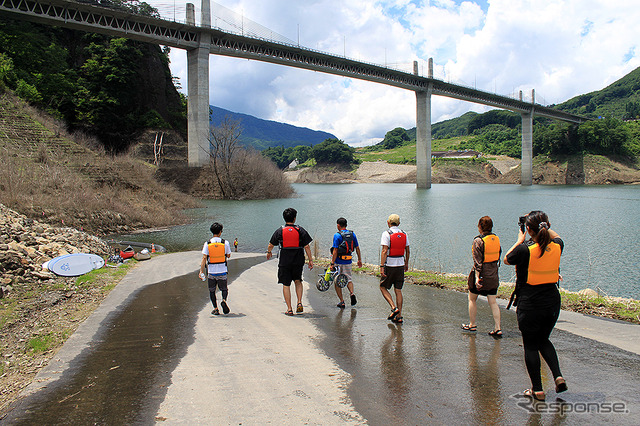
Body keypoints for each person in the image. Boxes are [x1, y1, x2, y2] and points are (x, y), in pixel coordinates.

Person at [504, 210, 568, 401]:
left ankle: (537, 390)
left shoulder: (524, 249)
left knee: (531, 345)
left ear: (529, 230)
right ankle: (558, 376)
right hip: (552, 303)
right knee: (543, 340)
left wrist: (520, 239)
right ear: (546, 226)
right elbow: (557, 237)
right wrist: (544, 225)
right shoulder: (557, 245)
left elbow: (507, 258)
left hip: (530, 304)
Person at [267, 208, 314, 316]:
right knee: (298, 281)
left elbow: (271, 244)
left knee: (286, 284)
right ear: (294, 218)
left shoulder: (280, 230)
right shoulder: (300, 229)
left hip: (285, 261)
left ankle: (289, 309)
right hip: (298, 260)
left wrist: (269, 252)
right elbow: (306, 246)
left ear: (284, 218)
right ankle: (299, 302)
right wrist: (310, 260)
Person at [462, 216, 502, 337]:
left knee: (472, 299)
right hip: (493, 275)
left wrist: (477, 277)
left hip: (482, 275)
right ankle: (498, 327)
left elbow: (477, 262)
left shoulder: (478, 241)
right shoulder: (496, 239)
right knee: (493, 302)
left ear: (480, 226)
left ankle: (472, 324)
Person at [379, 214, 410, 324]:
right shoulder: (404, 234)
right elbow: (407, 250)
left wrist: (382, 266)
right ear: (399, 223)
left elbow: (384, 251)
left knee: (382, 287)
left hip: (390, 265)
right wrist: (406, 263)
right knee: (398, 290)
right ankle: (399, 316)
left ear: (388, 222)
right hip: (400, 265)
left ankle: (393, 307)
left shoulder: (386, 234)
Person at [199, 222, 232, 315]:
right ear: (220, 232)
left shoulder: (207, 243)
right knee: (224, 289)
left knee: (212, 290)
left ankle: (216, 308)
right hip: (222, 271)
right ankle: (224, 300)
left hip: (211, 272)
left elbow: (204, 258)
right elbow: (228, 255)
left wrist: (201, 271)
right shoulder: (225, 243)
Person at [330, 217, 363, 308]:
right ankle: (352, 293)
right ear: (346, 225)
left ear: (338, 225)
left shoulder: (337, 235)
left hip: (338, 261)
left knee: (337, 281)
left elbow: (335, 250)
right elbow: (357, 248)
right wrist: (359, 260)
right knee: (348, 279)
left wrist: (332, 263)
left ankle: (342, 301)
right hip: (348, 260)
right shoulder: (352, 234)